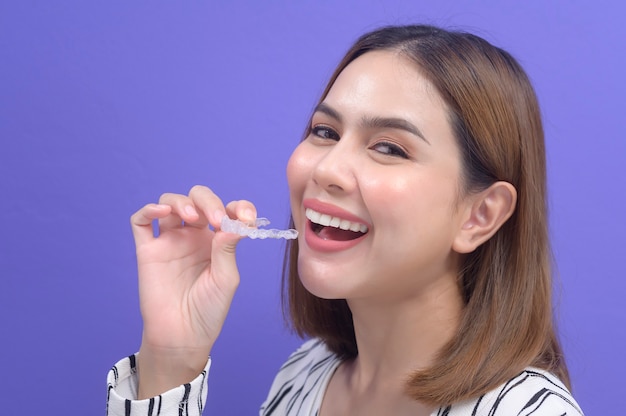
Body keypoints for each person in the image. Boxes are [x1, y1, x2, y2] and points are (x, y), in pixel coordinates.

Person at [106, 25, 584, 415]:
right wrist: (171, 359)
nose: (328, 168)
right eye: (324, 131)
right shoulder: (307, 374)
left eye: (389, 148)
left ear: (480, 215)